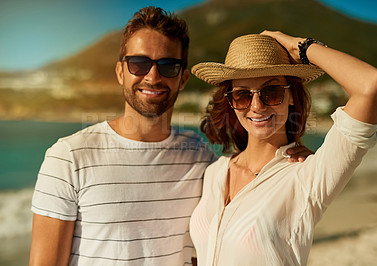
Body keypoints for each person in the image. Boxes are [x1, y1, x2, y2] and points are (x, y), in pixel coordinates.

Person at [29, 7, 310, 266]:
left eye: (168, 65)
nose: (152, 76)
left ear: (183, 78)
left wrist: (292, 155)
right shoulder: (68, 157)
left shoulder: (202, 160)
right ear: (120, 72)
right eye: (139, 63)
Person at [189, 31, 377, 265]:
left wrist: (300, 47)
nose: (256, 106)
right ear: (231, 102)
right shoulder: (215, 172)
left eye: (271, 92)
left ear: (292, 95)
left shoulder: (308, 176)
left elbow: (371, 85)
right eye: (242, 95)